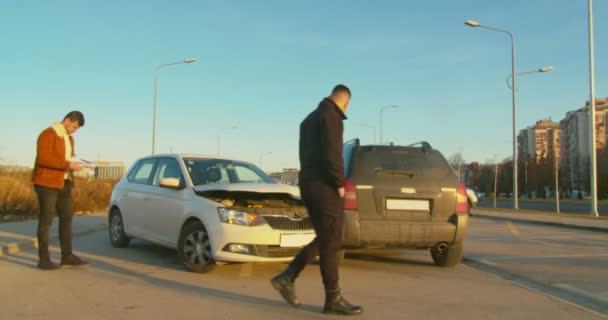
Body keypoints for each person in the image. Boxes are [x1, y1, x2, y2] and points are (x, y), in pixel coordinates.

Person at [271, 85, 363, 315]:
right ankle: (333, 299)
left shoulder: (309, 118)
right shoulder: (331, 116)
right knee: (331, 243)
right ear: (346, 102)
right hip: (325, 187)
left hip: (309, 184)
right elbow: (333, 152)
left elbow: (308, 154)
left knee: (326, 238)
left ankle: (288, 276)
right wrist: (339, 184)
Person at [32, 111, 90, 270]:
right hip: (46, 182)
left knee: (66, 218)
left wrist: (80, 162)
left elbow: (68, 159)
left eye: (77, 129)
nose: (75, 130)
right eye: (74, 127)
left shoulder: (69, 139)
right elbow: (44, 158)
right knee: (46, 220)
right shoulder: (48, 133)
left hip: (64, 182)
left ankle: (67, 256)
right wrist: (68, 164)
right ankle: (43, 259)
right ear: (67, 120)